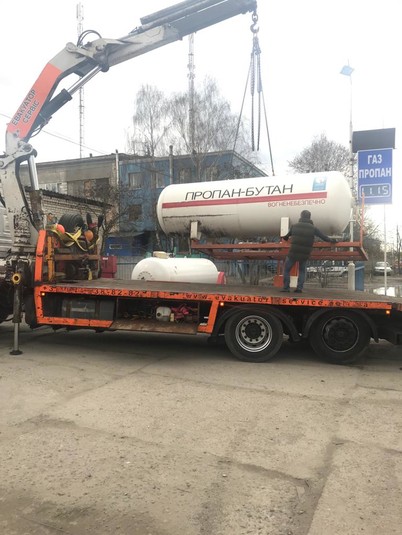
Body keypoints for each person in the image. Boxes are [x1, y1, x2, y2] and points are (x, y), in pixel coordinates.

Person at [280, 210, 336, 293]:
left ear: (301, 216)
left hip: (293, 252)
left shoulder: (294, 226)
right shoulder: (313, 228)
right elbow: (324, 237)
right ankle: (299, 288)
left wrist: (285, 237)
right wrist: (332, 240)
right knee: (302, 271)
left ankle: (286, 288)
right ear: (309, 217)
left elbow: (286, 237)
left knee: (287, 269)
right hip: (305, 253)